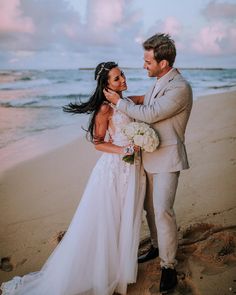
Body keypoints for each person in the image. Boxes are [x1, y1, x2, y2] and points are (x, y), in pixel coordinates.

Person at [0, 62, 146, 295]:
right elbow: (98, 143)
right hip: (113, 170)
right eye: (116, 79)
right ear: (106, 85)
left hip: (132, 169)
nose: (123, 80)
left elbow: (149, 100)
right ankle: (98, 271)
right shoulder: (105, 109)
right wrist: (125, 150)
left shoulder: (126, 101)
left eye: (123, 75)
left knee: (124, 216)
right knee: (106, 220)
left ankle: (117, 265)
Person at [104, 33, 193, 294]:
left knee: (163, 211)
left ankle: (168, 266)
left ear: (163, 63)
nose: (144, 65)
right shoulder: (159, 81)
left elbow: (152, 113)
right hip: (147, 156)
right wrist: (118, 102)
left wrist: (118, 102)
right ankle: (155, 245)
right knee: (149, 210)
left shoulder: (180, 87)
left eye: (148, 61)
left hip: (166, 158)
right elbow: (147, 100)